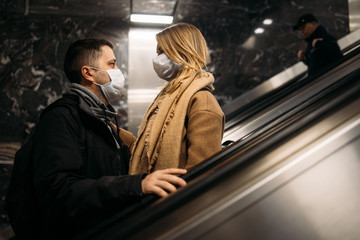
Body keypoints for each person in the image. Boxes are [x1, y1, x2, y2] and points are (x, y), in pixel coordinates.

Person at [5, 39, 187, 239]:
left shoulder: (102, 119)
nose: (119, 71)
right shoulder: (61, 119)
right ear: (88, 73)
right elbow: (59, 192)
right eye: (112, 64)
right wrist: (135, 186)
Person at [129, 23, 225, 175]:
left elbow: (200, 173)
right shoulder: (168, 95)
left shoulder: (202, 101)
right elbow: (148, 150)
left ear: (183, 51)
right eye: (157, 52)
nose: (157, 59)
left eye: (163, 52)